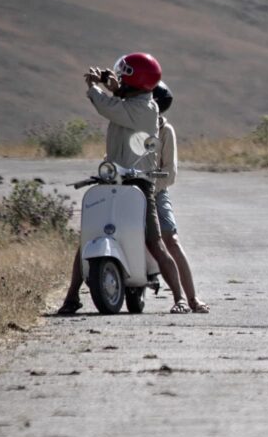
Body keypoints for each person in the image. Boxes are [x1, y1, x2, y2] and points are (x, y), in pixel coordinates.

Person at [57, 52, 191, 315]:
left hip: (138, 184)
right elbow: (120, 101)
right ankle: (71, 297)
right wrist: (114, 86)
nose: (119, 78)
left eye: (124, 74)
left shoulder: (143, 108)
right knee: (88, 237)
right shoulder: (135, 102)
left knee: (156, 241)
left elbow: (109, 107)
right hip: (112, 180)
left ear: (136, 80)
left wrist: (95, 87)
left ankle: (180, 298)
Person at [152, 82, 209, 313]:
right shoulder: (124, 126)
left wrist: (149, 186)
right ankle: (72, 295)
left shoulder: (165, 131)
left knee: (171, 239)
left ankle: (192, 299)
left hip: (154, 192)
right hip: (124, 191)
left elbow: (170, 174)